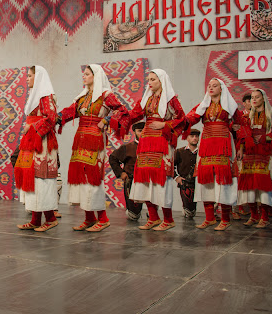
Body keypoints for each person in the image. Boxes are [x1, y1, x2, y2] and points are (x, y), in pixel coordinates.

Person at [57, 64, 130, 232]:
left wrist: (106, 120)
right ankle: (89, 218)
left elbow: (122, 111)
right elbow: (70, 112)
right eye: (84, 74)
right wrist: (55, 118)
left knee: (93, 178)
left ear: (95, 76)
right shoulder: (82, 97)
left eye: (87, 74)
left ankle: (103, 219)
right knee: (81, 178)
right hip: (81, 139)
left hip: (96, 140)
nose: (84, 76)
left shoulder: (105, 95)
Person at [112, 69, 186, 231]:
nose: (149, 83)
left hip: (162, 141)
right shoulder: (146, 99)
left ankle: (168, 219)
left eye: (153, 79)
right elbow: (134, 114)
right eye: (149, 79)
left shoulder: (171, 100)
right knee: (144, 180)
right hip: (146, 142)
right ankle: (153, 217)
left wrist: (164, 125)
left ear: (161, 81)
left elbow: (182, 119)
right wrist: (119, 116)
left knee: (161, 181)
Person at [185, 78, 246, 231]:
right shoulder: (203, 105)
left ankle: (225, 219)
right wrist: (178, 117)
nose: (211, 88)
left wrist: (239, 142)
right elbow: (190, 119)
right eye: (209, 86)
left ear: (221, 88)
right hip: (206, 144)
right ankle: (210, 218)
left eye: (215, 86)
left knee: (223, 181)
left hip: (224, 144)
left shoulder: (229, 105)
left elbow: (240, 126)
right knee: (206, 181)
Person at [14, 66, 60, 232]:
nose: (27, 79)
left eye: (30, 76)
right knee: (32, 179)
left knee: (42, 180)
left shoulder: (46, 97)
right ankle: (35, 219)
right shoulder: (35, 96)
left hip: (43, 143)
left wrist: (32, 126)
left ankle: (51, 219)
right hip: (32, 141)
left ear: (38, 77)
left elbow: (52, 118)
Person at [237, 89, 272, 228]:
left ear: (263, 99)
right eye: (252, 97)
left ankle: (265, 217)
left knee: (263, 186)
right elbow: (242, 135)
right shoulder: (246, 117)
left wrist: (265, 137)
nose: (254, 100)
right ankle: (253, 215)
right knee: (249, 185)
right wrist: (241, 148)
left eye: (257, 97)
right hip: (250, 154)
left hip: (265, 153)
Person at [109, 122, 145, 221]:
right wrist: (121, 173)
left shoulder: (153, 147)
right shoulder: (127, 147)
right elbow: (113, 158)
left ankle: (153, 216)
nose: (143, 133)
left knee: (153, 208)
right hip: (132, 181)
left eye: (145, 131)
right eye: (140, 131)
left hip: (148, 181)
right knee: (134, 215)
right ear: (134, 132)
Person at [174, 129, 200, 219]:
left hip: (200, 183)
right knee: (189, 212)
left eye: (196, 136)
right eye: (192, 136)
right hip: (186, 184)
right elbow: (170, 166)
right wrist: (176, 177)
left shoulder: (202, 152)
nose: (194, 138)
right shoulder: (179, 152)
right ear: (187, 138)